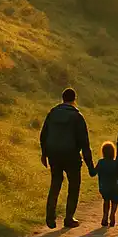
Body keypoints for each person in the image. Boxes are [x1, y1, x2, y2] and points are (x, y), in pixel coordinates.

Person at [39, 87, 94, 229]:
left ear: (62, 98)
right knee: (74, 186)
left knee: (55, 183)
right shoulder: (77, 116)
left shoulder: (52, 113)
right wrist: (90, 166)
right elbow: (84, 143)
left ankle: (50, 217)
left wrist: (44, 154)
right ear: (74, 99)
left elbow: (43, 135)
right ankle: (69, 218)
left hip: (54, 154)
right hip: (71, 155)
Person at [90, 141, 118, 227]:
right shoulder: (115, 163)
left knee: (106, 200)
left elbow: (93, 173)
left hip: (103, 187)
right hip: (114, 186)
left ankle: (105, 216)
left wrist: (90, 166)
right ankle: (113, 214)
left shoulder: (101, 162)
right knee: (115, 200)